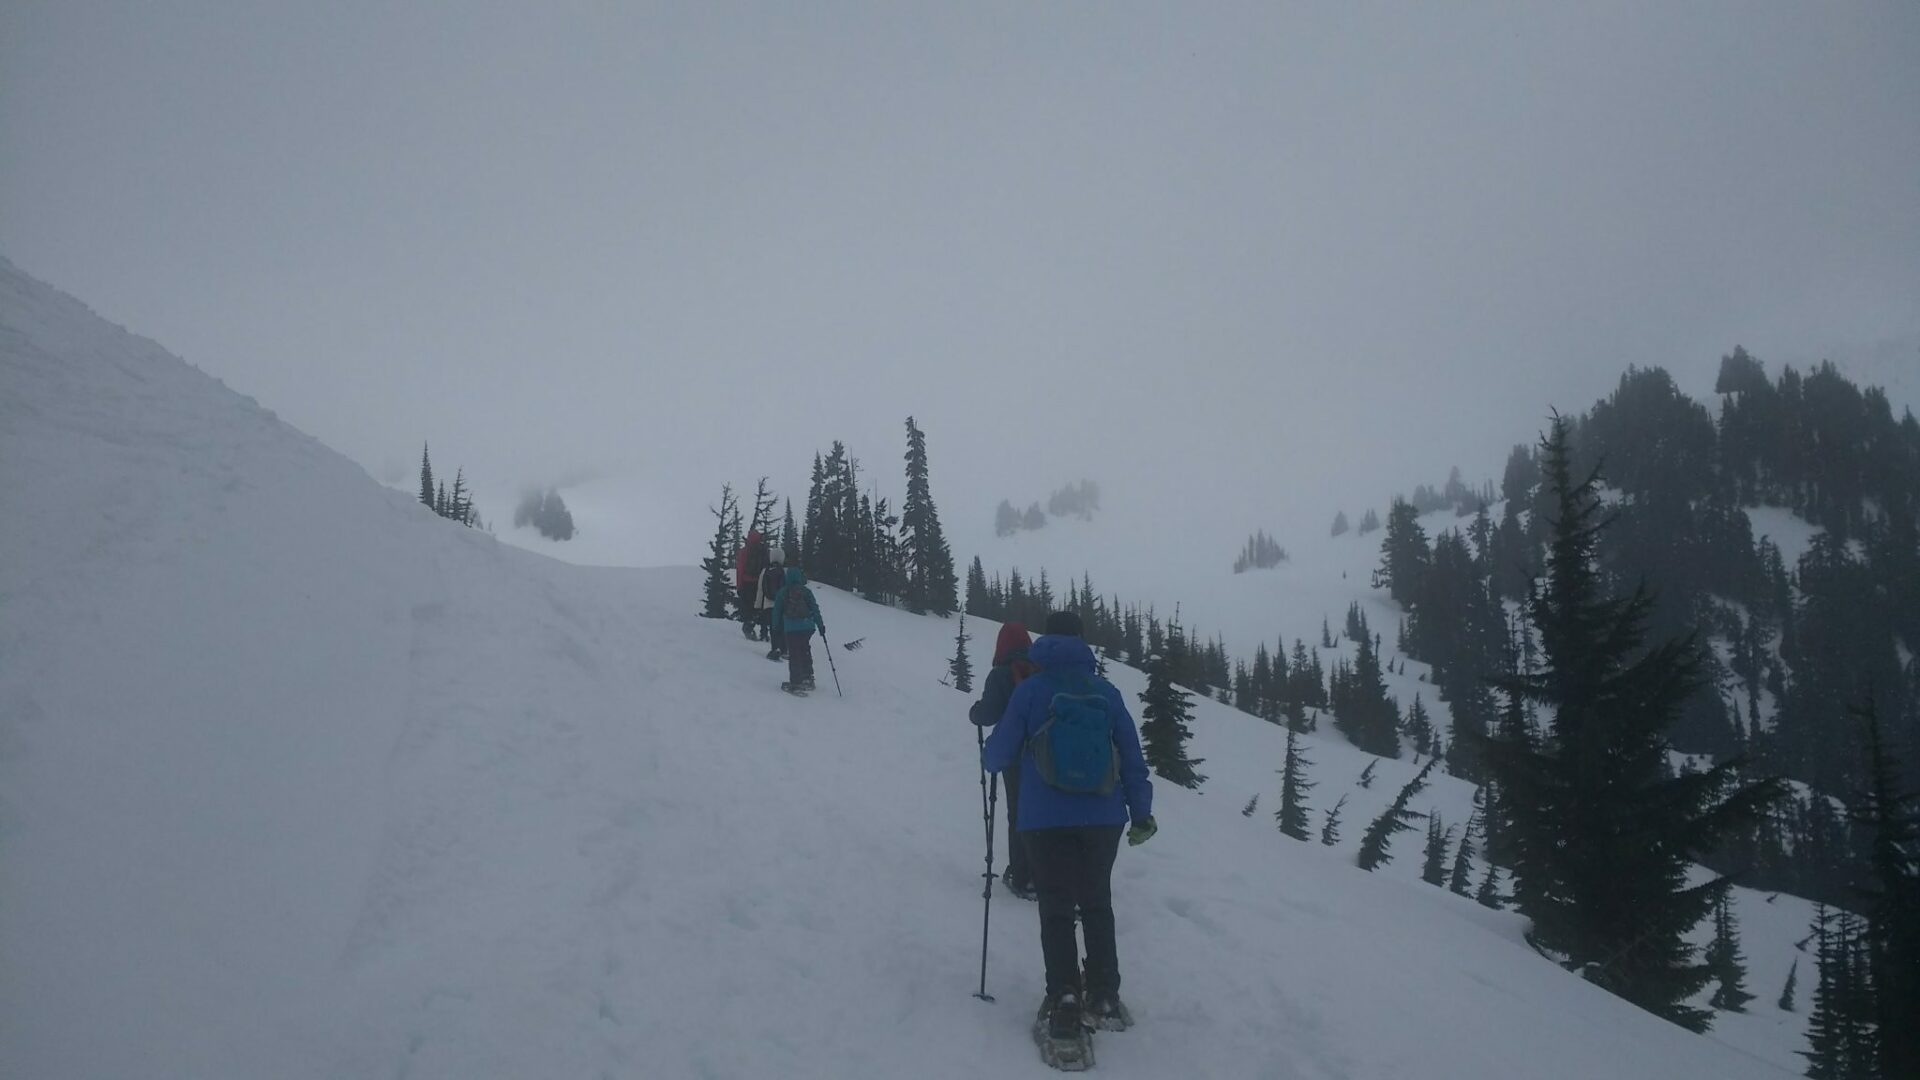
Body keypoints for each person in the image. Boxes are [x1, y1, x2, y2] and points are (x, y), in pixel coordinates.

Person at [982, 610, 1155, 1045]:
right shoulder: (1107, 692)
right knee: (1096, 902)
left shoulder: (1031, 690)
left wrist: (991, 753)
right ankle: (1104, 996)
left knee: (1056, 907)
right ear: (1082, 643)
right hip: (1104, 817)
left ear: (1044, 642)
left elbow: (999, 753)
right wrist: (1141, 812)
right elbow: (1132, 757)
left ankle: (1063, 999)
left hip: (1044, 820)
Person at [969, 621, 1038, 899]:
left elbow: (988, 714)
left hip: (1016, 757)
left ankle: (1023, 876)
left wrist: (975, 713)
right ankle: (1048, 872)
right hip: (1047, 755)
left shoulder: (1001, 674)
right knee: (1045, 814)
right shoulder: (1041, 671)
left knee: (1019, 815)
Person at [767, 566, 825, 692]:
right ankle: (808, 677)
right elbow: (815, 609)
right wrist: (820, 625)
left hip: (791, 627)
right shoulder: (806, 592)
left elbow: (777, 611)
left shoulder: (783, 592)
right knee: (805, 649)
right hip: (807, 627)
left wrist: (775, 626)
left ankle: (796, 683)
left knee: (794, 654)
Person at [734, 529, 769, 639]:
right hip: (761, 583)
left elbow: (740, 570)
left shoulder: (744, 552)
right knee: (762, 608)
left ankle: (748, 628)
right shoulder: (764, 550)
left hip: (747, 582)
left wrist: (739, 586)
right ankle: (764, 633)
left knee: (748, 607)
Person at [757, 547, 788, 660]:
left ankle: (775, 648)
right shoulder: (784, 571)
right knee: (783, 627)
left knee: (773, 627)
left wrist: (758, 605)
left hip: (768, 605)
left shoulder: (765, 571)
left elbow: (760, 590)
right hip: (782, 605)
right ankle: (784, 649)